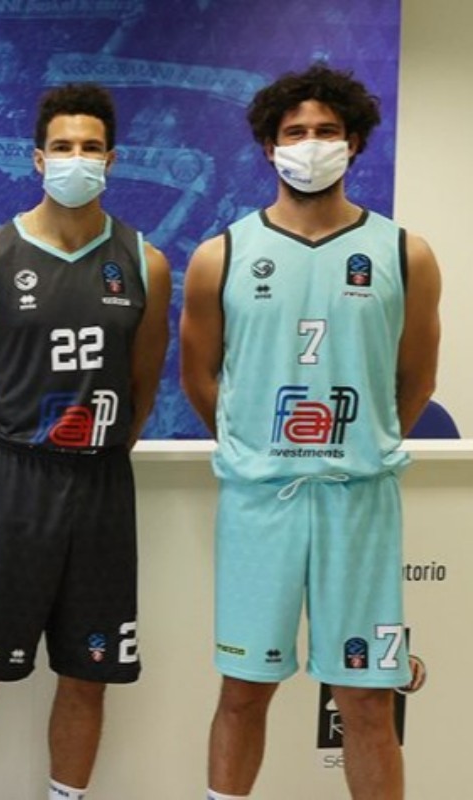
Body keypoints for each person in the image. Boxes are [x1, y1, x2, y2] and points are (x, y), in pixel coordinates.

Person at [180, 63, 441, 800]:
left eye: (327, 130)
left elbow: (416, 381)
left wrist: (356, 450)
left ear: (353, 142)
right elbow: (199, 377)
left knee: (366, 699)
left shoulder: (405, 254)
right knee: (242, 691)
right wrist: (257, 450)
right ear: (270, 147)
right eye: (295, 132)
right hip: (260, 502)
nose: (311, 144)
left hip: (359, 504)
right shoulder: (222, 255)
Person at [0, 82, 171, 800]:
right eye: (62, 147)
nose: (76, 158)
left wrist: (97, 453)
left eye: (90, 147)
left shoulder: (145, 264)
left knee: (89, 674)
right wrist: (2, 466)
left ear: (111, 159)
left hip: (100, 486)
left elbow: (143, 385)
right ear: (37, 159)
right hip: (13, 482)